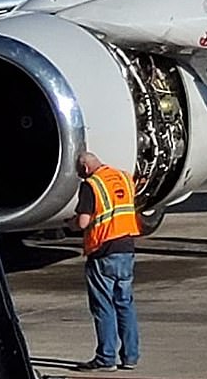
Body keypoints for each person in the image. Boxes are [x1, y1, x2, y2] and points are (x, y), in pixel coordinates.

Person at [66, 151, 141, 371]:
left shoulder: (91, 184)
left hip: (103, 251)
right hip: (126, 248)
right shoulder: (124, 177)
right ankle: (130, 357)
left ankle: (106, 357)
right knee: (125, 304)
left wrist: (70, 224)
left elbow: (83, 222)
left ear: (86, 168)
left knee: (103, 306)